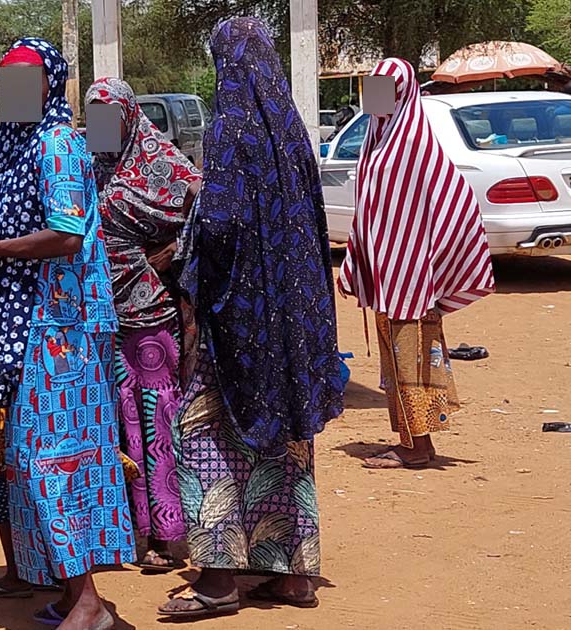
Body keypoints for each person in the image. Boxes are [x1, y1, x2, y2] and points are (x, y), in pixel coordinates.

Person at [0, 38, 131, 630]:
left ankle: (90, 602)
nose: (13, 92)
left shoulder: (60, 142)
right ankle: (73, 594)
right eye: (6, 81)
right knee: (30, 460)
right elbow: (29, 222)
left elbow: (67, 234)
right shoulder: (14, 149)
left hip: (61, 327)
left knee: (55, 462)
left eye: (26, 80)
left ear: (50, 84)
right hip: (26, 326)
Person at [156, 17, 344, 620]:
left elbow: (222, 226)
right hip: (292, 324)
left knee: (202, 433)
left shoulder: (233, 130)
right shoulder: (291, 131)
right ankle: (294, 577)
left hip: (235, 321)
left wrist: (183, 258)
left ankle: (216, 579)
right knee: (287, 443)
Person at [339, 58, 494, 470]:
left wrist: (432, 263)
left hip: (409, 278)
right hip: (391, 274)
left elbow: (450, 201)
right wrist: (359, 259)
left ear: (403, 92)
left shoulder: (410, 144)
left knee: (411, 359)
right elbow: (370, 211)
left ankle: (417, 447)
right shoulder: (379, 138)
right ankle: (414, 440)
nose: (374, 100)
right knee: (400, 359)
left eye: (383, 90)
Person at [85, 77, 202, 572]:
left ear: (130, 116)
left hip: (151, 317)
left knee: (157, 422)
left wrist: (168, 256)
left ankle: (169, 534)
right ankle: (129, 531)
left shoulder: (164, 164)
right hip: (99, 315)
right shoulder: (86, 170)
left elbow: (205, 217)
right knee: (114, 422)